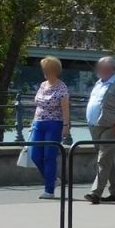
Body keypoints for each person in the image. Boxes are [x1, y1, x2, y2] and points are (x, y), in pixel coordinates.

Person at [84, 56, 115, 204]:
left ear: (110, 69)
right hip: (95, 126)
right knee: (107, 159)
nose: (98, 70)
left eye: (101, 67)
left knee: (103, 160)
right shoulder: (98, 84)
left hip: (110, 127)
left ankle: (95, 192)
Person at [29, 56, 70, 199]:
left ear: (55, 71)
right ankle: (52, 179)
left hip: (54, 124)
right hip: (39, 124)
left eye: (47, 69)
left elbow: (65, 109)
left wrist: (66, 125)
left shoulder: (62, 87)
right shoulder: (42, 85)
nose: (45, 72)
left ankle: (49, 190)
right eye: (44, 69)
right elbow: (38, 106)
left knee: (49, 157)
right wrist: (32, 123)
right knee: (35, 155)